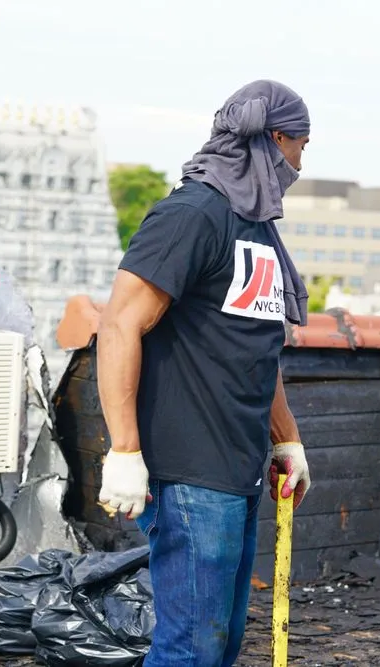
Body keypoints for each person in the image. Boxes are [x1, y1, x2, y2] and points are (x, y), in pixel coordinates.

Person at [95, 80, 314, 667]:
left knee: (218, 646)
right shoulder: (192, 214)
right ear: (273, 141)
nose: (300, 162)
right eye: (300, 146)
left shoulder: (257, 227)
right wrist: (123, 449)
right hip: (189, 473)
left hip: (237, 470)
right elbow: (118, 325)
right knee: (189, 651)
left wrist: (285, 438)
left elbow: (253, 346)